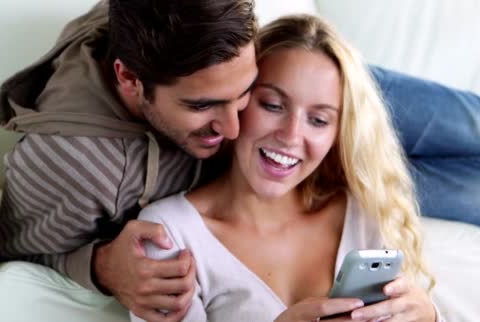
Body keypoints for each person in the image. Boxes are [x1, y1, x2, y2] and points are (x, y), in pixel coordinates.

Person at [0, 0, 480, 321]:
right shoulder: (81, 165)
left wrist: (427, 314)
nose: (228, 127)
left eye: (242, 95)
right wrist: (105, 264)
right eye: (204, 106)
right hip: (296, 137)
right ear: (130, 83)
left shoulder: (208, 37)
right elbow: (21, 246)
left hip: (325, 78)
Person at [131, 14, 441, 321]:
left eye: (318, 120)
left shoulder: (364, 214)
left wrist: (430, 316)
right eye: (272, 105)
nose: (291, 136)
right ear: (237, 99)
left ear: (336, 135)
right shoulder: (169, 234)